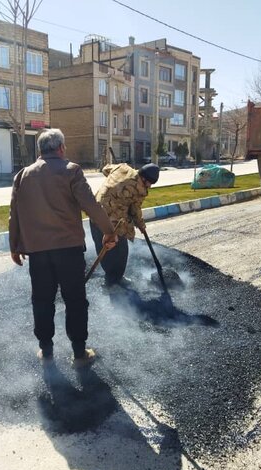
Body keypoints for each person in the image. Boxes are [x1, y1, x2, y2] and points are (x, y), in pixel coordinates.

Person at [9, 128, 117, 368]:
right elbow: (91, 205)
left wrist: (14, 246)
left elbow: (14, 213)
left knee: (42, 301)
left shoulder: (23, 175)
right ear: (61, 148)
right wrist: (109, 231)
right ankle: (80, 354)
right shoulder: (72, 171)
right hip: (68, 251)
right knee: (75, 301)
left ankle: (46, 351)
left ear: (40, 150)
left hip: (37, 253)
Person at [90, 162, 160, 286]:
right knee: (120, 252)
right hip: (113, 224)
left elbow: (105, 170)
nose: (150, 186)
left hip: (95, 215)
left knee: (103, 250)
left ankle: (110, 278)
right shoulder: (140, 190)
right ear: (144, 179)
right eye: (150, 183)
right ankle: (115, 281)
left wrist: (117, 182)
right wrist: (141, 225)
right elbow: (135, 211)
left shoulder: (122, 167)